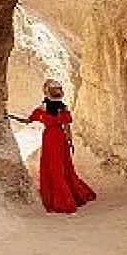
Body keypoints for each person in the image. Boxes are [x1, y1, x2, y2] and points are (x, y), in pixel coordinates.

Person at [8, 79, 97, 214]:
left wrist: (11, 116)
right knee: (63, 168)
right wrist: (70, 142)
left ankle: (60, 200)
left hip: (50, 138)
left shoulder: (42, 108)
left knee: (53, 168)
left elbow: (28, 120)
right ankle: (69, 197)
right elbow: (67, 127)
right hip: (59, 138)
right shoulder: (63, 108)